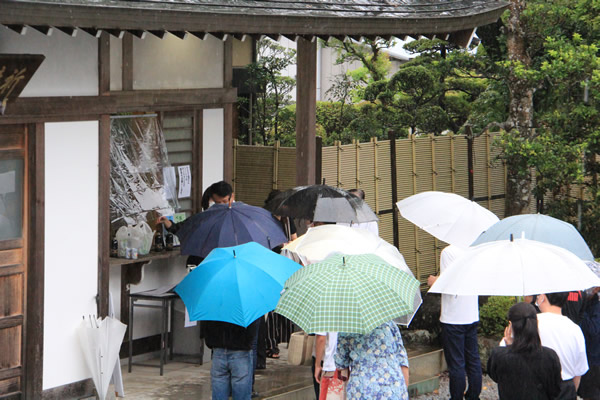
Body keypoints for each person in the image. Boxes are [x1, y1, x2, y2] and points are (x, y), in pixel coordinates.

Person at [427, 245, 482, 400]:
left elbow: (450, 283)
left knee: (456, 362)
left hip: (453, 316)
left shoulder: (449, 252)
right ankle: (473, 395)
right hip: (471, 313)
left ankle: (456, 397)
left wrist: (434, 281)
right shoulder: (475, 249)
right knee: (473, 359)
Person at [488, 302, 562, 400]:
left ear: (511, 325)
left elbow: (495, 376)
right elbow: (555, 389)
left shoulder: (499, 355)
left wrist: (509, 346)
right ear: (536, 323)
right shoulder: (550, 356)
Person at [334, 320, 409, 399]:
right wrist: (403, 391)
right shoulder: (389, 324)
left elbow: (341, 365)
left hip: (361, 388)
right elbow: (402, 360)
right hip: (392, 386)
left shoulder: (346, 329)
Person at [536, 291, 588, 399]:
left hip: (535, 386)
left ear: (542, 297)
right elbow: (578, 371)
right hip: (565, 389)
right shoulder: (575, 329)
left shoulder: (530, 322)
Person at [203, 318, 260, 400]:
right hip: (241, 349)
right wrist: (248, 342)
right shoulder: (246, 306)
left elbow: (206, 324)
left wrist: (211, 341)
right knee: (241, 388)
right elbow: (252, 328)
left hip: (218, 348)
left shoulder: (213, 305)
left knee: (219, 385)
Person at [577, 286, 600, 400]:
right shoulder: (582, 303)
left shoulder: (596, 307)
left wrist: (581, 312)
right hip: (582, 357)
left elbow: (593, 329)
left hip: (594, 360)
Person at [314, 332, 338, 400]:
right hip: (349, 367)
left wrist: (317, 365)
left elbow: (321, 338)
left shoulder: (324, 321)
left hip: (331, 365)